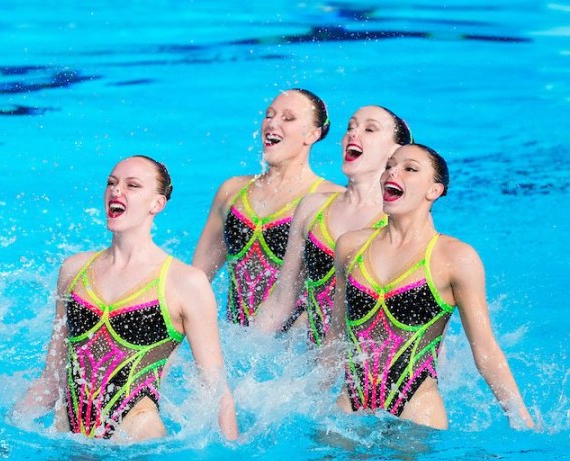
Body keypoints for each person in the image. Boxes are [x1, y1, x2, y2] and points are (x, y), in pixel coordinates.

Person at [18, 156, 238, 442]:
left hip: (136, 434)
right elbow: (52, 376)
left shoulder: (184, 283)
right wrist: (8, 430)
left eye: (132, 185)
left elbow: (215, 387)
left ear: (156, 204)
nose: (116, 191)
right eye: (111, 183)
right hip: (67, 431)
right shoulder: (74, 270)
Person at [328, 144, 535, 430]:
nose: (393, 172)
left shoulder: (455, 258)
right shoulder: (350, 246)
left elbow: (486, 351)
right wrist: (302, 396)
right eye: (389, 165)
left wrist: (523, 422)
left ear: (434, 191)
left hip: (416, 411)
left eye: (410, 169)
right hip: (349, 407)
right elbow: (335, 334)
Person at [255, 106, 411, 344]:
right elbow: (282, 299)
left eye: (369, 129)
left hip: (362, 369)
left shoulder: (397, 221)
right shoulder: (313, 207)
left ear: (396, 152)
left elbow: (411, 319)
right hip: (312, 362)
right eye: (350, 127)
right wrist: (245, 349)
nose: (353, 134)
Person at [191, 89, 342, 326]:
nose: (272, 123)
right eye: (269, 115)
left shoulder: (332, 200)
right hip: (238, 343)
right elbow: (196, 280)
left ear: (313, 134)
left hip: (294, 352)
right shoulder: (232, 191)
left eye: (288, 118)